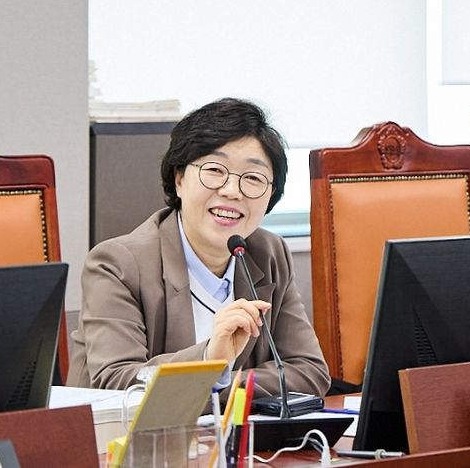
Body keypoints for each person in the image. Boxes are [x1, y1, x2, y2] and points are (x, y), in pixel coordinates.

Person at [67, 98, 331, 400]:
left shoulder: (269, 253)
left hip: (234, 432)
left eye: (253, 178)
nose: (231, 191)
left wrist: (217, 381)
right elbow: (118, 382)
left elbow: (309, 372)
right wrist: (209, 361)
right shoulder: (117, 264)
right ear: (179, 179)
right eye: (215, 170)